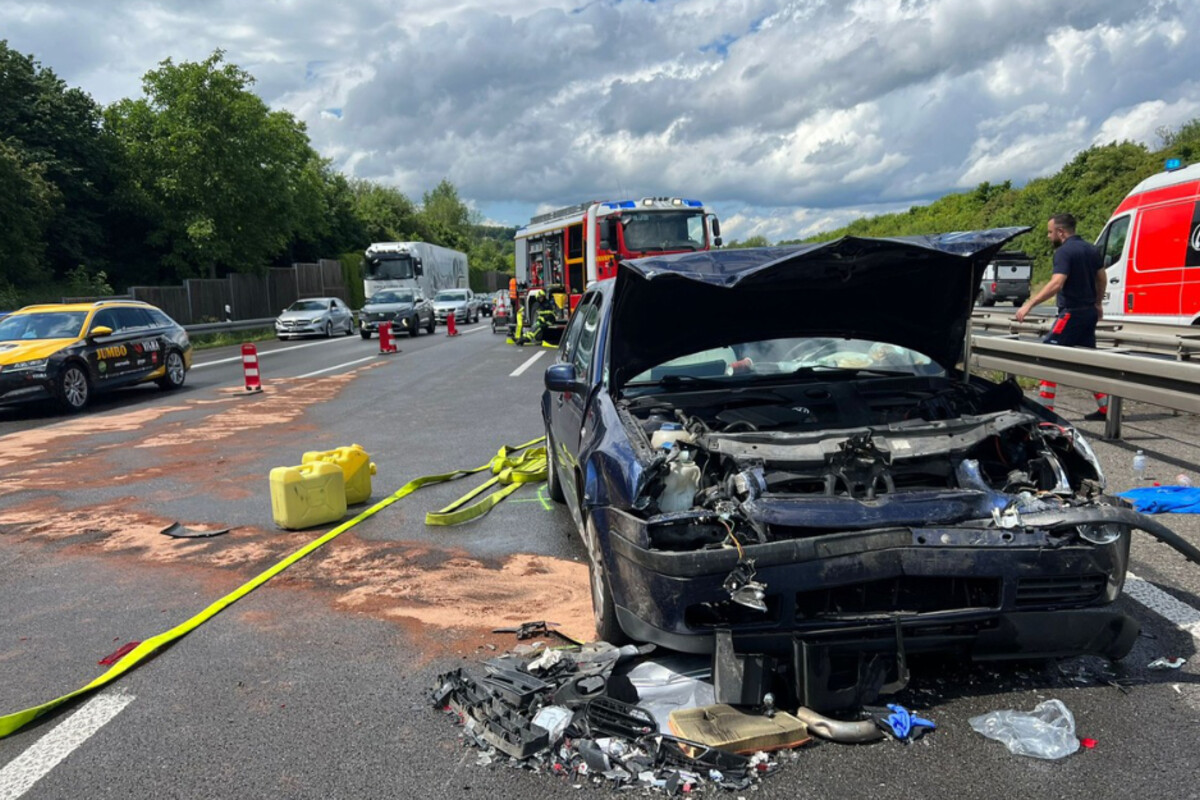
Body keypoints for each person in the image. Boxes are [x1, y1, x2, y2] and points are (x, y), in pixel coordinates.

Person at [1014, 213, 1109, 421]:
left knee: (1048, 356)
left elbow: (1057, 283)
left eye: (1050, 232)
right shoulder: (1091, 249)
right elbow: (1102, 278)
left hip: (1071, 313)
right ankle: (1106, 408)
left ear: (1060, 232)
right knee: (1088, 362)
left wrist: (1029, 304)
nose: (1049, 237)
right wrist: (1098, 303)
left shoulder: (1064, 252)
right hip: (1089, 313)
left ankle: (1045, 410)